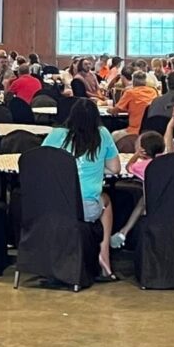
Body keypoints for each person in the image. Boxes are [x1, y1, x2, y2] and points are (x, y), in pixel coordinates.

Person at [42, 98, 120, 279]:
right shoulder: (103, 134)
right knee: (106, 202)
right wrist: (99, 167)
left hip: (53, 205)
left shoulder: (56, 134)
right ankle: (104, 254)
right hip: (85, 207)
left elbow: (42, 160)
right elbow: (115, 168)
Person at [109, 130, 167, 249]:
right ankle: (123, 232)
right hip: (166, 196)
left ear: (142, 150)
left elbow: (128, 168)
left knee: (143, 201)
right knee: (142, 200)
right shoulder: (164, 161)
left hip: (151, 202)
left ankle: (124, 232)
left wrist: (135, 155)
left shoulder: (142, 166)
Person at [110, 69, 158, 134]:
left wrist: (109, 110)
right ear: (145, 81)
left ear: (133, 81)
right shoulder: (153, 91)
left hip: (135, 130)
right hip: (150, 130)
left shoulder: (130, 92)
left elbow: (116, 110)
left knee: (114, 134)